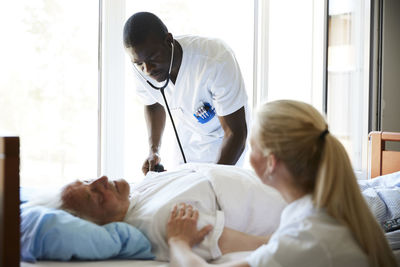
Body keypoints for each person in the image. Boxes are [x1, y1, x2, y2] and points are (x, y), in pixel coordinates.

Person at [166, 100, 397, 267]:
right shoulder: (320, 212)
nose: (248, 156)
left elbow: (290, 245)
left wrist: (178, 243)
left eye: (253, 147)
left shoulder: (309, 235)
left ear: (271, 163)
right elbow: (276, 243)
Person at [53, 164, 286, 261]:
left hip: (289, 183)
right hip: (299, 204)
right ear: (97, 223)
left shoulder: (138, 192)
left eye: (86, 179)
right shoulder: (159, 221)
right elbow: (260, 244)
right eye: (91, 194)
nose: (100, 180)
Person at [123, 12, 250, 174]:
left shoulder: (216, 60)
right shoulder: (140, 65)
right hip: (185, 144)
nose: (147, 69)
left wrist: (212, 180)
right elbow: (153, 104)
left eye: (153, 58)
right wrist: (154, 150)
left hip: (224, 147)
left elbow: (236, 134)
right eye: (139, 63)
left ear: (168, 41)